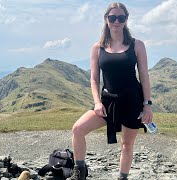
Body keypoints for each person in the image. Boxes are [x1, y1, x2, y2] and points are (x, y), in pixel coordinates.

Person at [69, 2, 153, 180]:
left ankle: (122, 177)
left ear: (126, 19)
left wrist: (147, 105)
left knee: (126, 145)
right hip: (107, 102)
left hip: (132, 101)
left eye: (121, 17)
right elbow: (94, 79)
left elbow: (144, 76)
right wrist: (97, 102)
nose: (117, 21)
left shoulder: (137, 45)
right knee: (78, 129)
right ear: (106, 19)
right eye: (113, 17)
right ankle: (80, 172)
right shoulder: (97, 48)